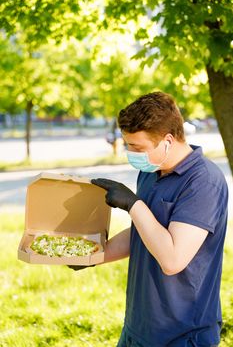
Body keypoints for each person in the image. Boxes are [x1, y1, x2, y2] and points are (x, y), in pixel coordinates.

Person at [72, 92, 228, 347]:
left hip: (183, 334)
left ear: (168, 140)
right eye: (128, 145)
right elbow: (143, 234)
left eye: (137, 147)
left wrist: (133, 205)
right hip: (139, 326)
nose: (130, 153)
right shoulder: (151, 171)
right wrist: (93, 255)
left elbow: (172, 259)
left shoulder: (203, 181)